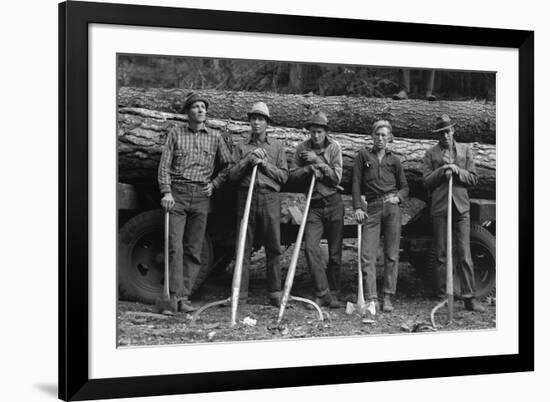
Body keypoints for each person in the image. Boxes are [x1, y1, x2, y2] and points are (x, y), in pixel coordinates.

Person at [157, 92, 233, 314]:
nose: (200, 110)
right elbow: (164, 165)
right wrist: (166, 192)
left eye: (203, 107)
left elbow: (228, 165)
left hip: (201, 195)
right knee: (174, 247)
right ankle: (171, 299)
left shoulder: (215, 137)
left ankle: (184, 297)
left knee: (194, 249)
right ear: (187, 111)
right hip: (177, 195)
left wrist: (215, 184)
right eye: (195, 107)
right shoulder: (176, 133)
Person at [422, 114, 485, 312]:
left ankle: (469, 297)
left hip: (461, 208)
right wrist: (443, 171)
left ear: (453, 131)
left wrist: (457, 170)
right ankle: (443, 295)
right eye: (441, 133)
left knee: (464, 252)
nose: (445, 136)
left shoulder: (465, 151)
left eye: (448, 131)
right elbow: (426, 182)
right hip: (440, 208)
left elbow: (473, 179)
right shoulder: (430, 154)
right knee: (441, 253)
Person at [229, 102, 288, 307]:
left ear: (267, 123)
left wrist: (264, 164)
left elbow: (283, 176)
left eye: (260, 119)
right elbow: (232, 176)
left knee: (273, 246)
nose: (256, 122)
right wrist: (248, 160)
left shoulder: (277, 147)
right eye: (253, 118)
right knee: (243, 247)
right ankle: (240, 294)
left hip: (270, 198)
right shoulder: (241, 146)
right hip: (246, 196)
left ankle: (275, 293)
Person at [352, 120, 409, 313]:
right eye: (377, 134)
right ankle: (372, 298)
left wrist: (398, 198)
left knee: (391, 253)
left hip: (391, 207)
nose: (381, 138)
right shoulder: (363, 156)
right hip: (372, 207)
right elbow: (356, 184)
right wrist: (358, 207)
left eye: (385, 135)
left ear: (390, 138)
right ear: (372, 136)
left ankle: (387, 297)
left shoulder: (394, 160)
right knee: (367, 254)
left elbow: (405, 187)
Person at [289, 111, 344, 308]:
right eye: (313, 132)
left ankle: (335, 292)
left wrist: (318, 161)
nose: (316, 136)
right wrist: (307, 169)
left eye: (319, 132)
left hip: (334, 203)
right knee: (310, 247)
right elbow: (292, 175)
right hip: (314, 205)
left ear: (326, 132)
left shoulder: (334, 147)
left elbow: (337, 178)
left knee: (335, 252)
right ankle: (323, 292)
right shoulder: (302, 148)